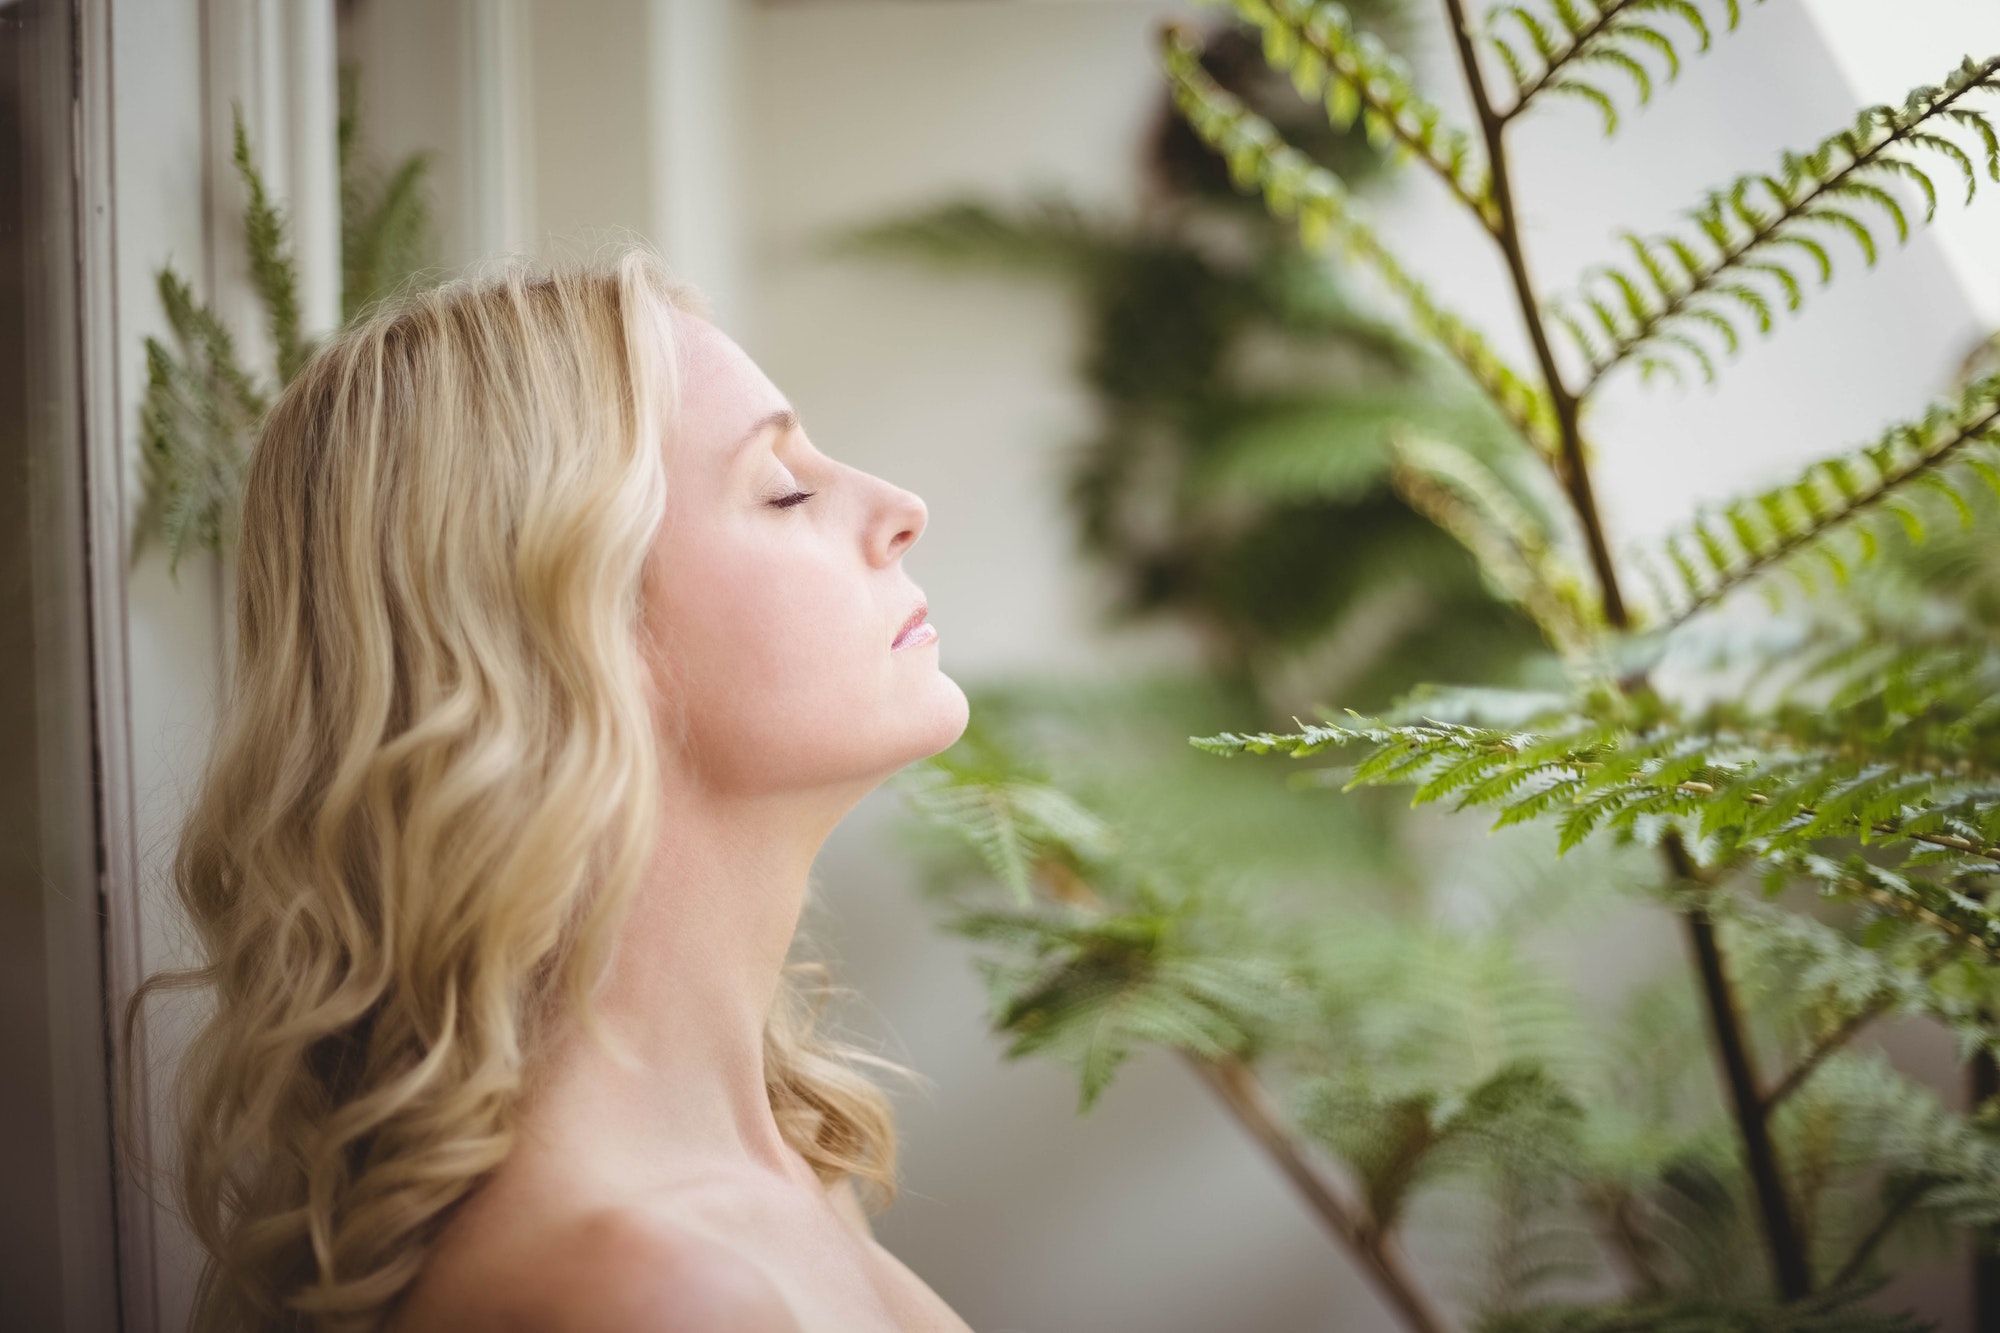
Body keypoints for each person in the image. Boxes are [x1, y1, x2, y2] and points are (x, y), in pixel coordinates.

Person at [141, 250, 976, 1331]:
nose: (900, 507)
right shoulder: (633, 1294)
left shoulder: (788, 1163)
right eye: (784, 489)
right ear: (563, 638)